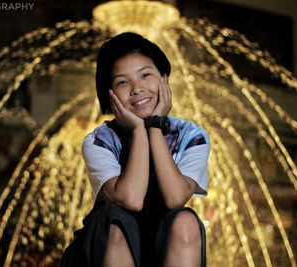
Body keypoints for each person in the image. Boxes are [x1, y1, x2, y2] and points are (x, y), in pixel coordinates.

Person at [61, 32, 210, 267]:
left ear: (164, 79)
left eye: (145, 75)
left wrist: (154, 127)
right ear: (110, 95)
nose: (137, 89)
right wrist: (140, 130)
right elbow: (130, 199)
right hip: (105, 248)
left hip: (162, 248)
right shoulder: (99, 141)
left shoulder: (191, 137)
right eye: (122, 82)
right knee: (116, 222)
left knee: (186, 221)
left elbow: (175, 198)